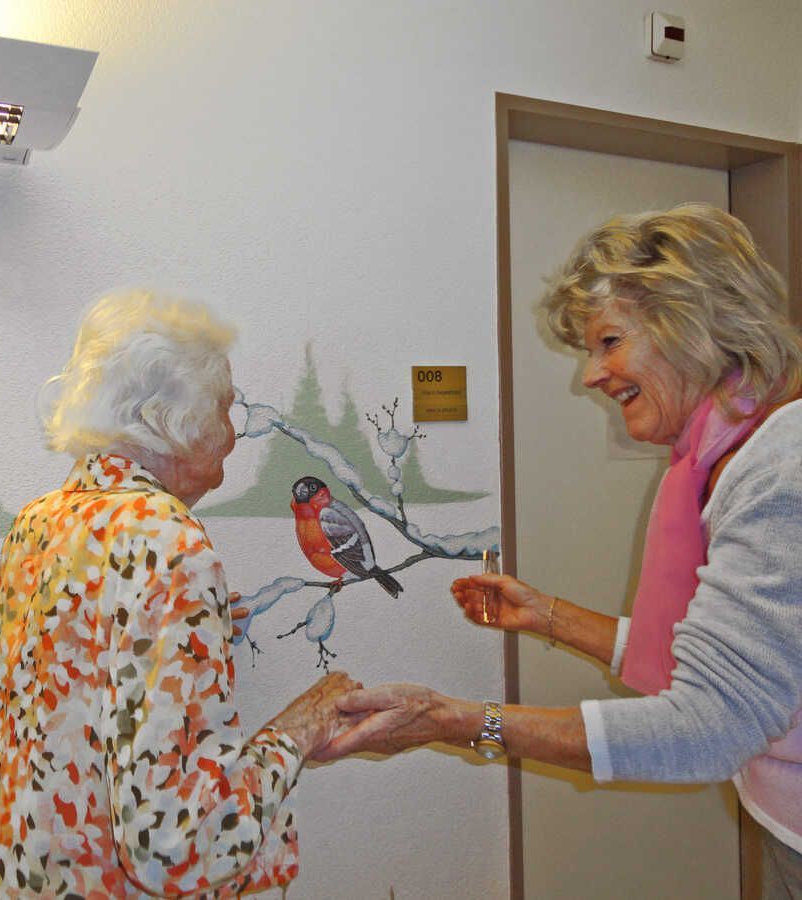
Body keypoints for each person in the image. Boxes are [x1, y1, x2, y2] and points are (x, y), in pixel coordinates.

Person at [317, 204, 802, 894]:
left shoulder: (779, 467)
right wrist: (546, 615)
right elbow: (734, 659)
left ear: (691, 324)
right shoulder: (728, 455)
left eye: (609, 342)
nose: (592, 376)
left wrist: (453, 722)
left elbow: (708, 724)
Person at [0, 290, 359, 899]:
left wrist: (189, 636)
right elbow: (177, 846)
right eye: (224, 408)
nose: (234, 436)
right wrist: (301, 727)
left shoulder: (41, 521)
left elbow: (80, 689)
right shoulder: (166, 541)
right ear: (172, 419)